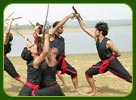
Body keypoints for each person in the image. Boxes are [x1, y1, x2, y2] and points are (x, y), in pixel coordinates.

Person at [75, 14, 132, 96]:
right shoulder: (96, 38)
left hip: (112, 62)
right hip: (103, 63)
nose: (94, 31)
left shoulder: (108, 42)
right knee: (88, 73)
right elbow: (85, 29)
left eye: (96, 30)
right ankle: (94, 92)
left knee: (129, 78)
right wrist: (78, 19)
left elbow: (118, 53)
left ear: (100, 31)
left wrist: (111, 59)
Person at [49, 13, 84, 95]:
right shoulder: (52, 36)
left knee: (74, 72)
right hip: (52, 61)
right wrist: (68, 17)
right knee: (49, 79)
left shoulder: (62, 39)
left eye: (63, 27)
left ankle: (77, 90)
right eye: (61, 27)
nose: (63, 29)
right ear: (56, 28)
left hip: (61, 61)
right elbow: (57, 26)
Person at [4, 18, 25, 84]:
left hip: (4, 61)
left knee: (17, 77)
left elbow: (7, 32)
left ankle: (32, 88)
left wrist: (10, 21)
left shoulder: (5, 42)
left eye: (4, 35)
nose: (3, 34)